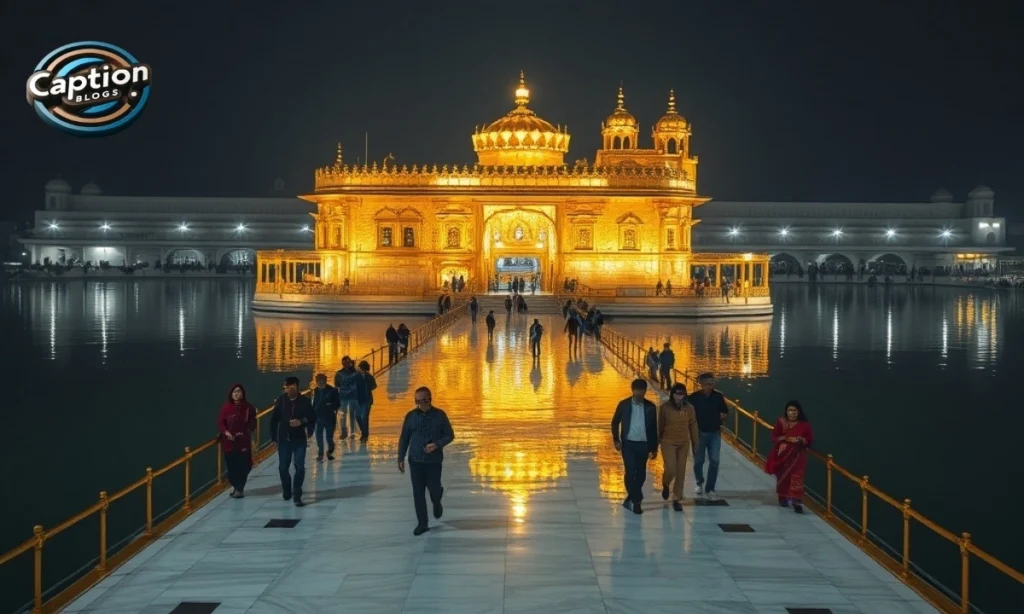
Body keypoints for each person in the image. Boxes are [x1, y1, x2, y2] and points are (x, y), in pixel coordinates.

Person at [397, 386, 455, 535]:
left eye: (423, 400)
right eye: (417, 401)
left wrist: (437, 444)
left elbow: (449, 435)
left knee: (434, 489)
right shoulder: (411, 416)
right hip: (415, 460)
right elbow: (404, 437)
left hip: (433, 461)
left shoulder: (440, 415)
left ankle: (436, 501)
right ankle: (422, 523)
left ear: (430, 399)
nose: (420, 404)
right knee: (418, 493)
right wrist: (400, 457)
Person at [610, 378, 659, 514]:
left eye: (642, 393)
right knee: (630, 471)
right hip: (628, 444)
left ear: (645, 392)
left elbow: (653, 429)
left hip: (643, 444)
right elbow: (615, 422)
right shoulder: (624, 405)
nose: (639, 396)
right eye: (637, 393)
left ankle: (631, 498)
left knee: (641, 474)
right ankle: (636, 501)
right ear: (633, 391)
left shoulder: (650, 407)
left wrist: (654, 448)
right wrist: (616, 440)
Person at [270, 376, 316, 506]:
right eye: (286, 387)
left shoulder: (304, 401)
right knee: (283, 467)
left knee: (299, 466)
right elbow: (274, 420)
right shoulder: (281, 401)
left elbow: (312, 416)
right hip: (284, 439)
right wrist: (273, 437)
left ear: (296, 386)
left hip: (299, 439)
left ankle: (297, 494)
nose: (288, 390)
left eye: (291, 387)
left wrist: (301, 422)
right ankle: (286, 489)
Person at [765, 400, 814, 513]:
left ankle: (797, 503)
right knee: (783, 476)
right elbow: (774, 436)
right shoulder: (781, 422)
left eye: (794, 410)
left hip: (798, 455)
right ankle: (783, 497)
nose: (792, 413)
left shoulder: (804, 425)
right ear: (786, 412)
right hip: (782, 455)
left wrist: (801, 439)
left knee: (797, 478)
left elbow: (809, 440)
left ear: (799, 412)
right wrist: (786, 438)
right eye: (790, 410)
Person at [658, 383, 699, 511]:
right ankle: (665, 483)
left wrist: (695, 444)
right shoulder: (665, 408)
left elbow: (693, 426)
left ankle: (677, 498)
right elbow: (660, 426)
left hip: (683, 443)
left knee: (681, 471)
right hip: (668, 441)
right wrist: (656, 443)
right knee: (671, 468)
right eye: (677, 394)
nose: (679, 397)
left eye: (681, 394)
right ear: (672, 394)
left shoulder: (689, 408)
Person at [690, 372, 729, 500]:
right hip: (699, 433)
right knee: (698, 461)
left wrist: (720, 417)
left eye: (711, 384)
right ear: (701, 385)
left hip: (714, 433)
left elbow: (725, 411)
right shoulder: (694, 397)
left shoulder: (718, 396)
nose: (709, 386)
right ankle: (699, 482)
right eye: (706, 384)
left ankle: (710, 487)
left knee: (715, 460)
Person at [218, 384, 257, 498]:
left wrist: (248, 429)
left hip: (243, 441)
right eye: (235, 392)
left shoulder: (248, 408)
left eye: (239, 391)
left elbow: (252, 422)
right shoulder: (226, 408)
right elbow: (220, 422)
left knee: (245, 465)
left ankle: (239, 488)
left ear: (243, 393)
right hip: (229, 442)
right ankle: (237, 488)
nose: (237, 394)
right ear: (231, 394)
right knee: (232, 466)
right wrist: (226, 432)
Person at [312, 373, 340, 461]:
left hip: (329, 417)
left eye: (321, 382)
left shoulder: (332, 390)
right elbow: (315, 404)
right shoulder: (316, 390)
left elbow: (337, 404)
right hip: (319, 417)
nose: (319, 384)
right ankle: (320, 454)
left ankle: (330, 451)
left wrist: (330, 405)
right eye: (318, 382)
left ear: (324, 381)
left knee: (329, 437)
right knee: (318, 437)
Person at [334, 356, 360, 439]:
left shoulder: (355, 372)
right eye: (344, 363)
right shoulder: (339, 373)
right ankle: (344, 432)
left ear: (350, 363)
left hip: (354, 396)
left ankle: (352, 432)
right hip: (343, 397)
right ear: (342, 363)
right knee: (343, 415)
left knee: (353, 414)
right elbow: (336, 385)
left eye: (347, 363)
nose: (346, 365)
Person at [357, 360, 377, 442]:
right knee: (358, 417)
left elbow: (374, 386)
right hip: (359, 399)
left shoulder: (369, 376)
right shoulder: (357, 376)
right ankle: (364, 431)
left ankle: (364, 435)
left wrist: (367, 388)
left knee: (364, 417)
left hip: (367, 400)